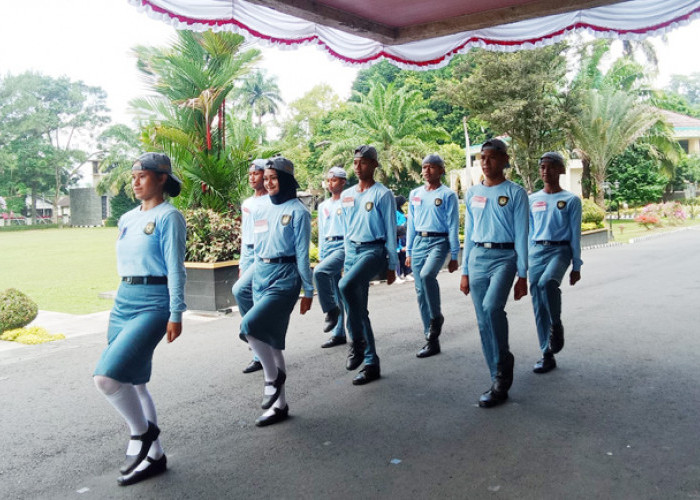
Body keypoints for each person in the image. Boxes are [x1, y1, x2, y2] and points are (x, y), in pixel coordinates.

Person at [93, 152, 186, 486]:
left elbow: (176, 268)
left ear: (161, 178)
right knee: (134, 382)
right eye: (133, 176)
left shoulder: (169, 217)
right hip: (124, 301)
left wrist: (176, 312)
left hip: (154, 303)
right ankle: (156, 456)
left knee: (106, 378)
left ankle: (142, 433)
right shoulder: (128, 218)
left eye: (142, 175)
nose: (135, 181)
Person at [239, 156, 313, 426]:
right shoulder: (258, 210)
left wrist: (308, 290)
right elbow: (255, 248)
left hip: (285, 277)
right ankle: (279, 406)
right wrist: (247, 273)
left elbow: (303, 255)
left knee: (249, 326)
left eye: (274, 178)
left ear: (286, 181)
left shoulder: (298, 211)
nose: (269, 182)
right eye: (266, 177)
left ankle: (273, 378)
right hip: (261, 273)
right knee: (272, 340)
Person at [459, 139, 528, 408]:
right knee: (482, 321)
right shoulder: (473, 193)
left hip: (505, 257)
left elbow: (522, 235)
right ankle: (497, 378)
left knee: (492, 308)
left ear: (504, 159)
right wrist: (464, 270)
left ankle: (503, 362)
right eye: (482, 158)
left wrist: (523, 275)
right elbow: (469, 234)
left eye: (492, 157)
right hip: (477, 257)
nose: (486, 163)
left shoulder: (515, 193)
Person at [338, 145, 397, 385]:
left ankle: (358, 342)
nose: (358, 166)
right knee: (358, 308)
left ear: (374, 165)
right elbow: (346, 230)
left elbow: (391, 231)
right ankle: (371, 363)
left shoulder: (383, 194)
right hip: (352, 251)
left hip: (374, 250)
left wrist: (392, 264)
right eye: (355, 162)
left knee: (345, 286)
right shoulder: (347, 195)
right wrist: (345, 256)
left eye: (363, 162)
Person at [528, 152, 582, 373]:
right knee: (538, 304)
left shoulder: (571, 200)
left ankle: (556, 324)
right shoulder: (532, 199)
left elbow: (575, 234)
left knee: (548, 283)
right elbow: (528, 231)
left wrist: (576, 266)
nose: (545, 171)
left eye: (551, 167)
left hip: (560, 250)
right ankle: (546, 353)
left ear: (561, 170)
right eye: (542, 167)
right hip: (536, 251)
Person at [406, 154, 460, 358]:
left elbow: (453, 224)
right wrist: (409, 251)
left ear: (441, 170)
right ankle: (431, 339)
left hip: (439, 242)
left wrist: (454, 254)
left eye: (432, 167)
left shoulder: (448, 195)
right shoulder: (415, 194)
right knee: (420, 292)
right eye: (424, 167)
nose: (427, 171)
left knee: (428, 275)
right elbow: (411, 225)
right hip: (419, 241)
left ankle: (436, 317)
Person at [232, 159, 270, 374]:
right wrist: (241, 262)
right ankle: (256, 339)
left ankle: (260, 352)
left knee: (257, 298)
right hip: (247, 252)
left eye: (256, 174)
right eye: (250, 174)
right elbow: (244, 231)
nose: (252, 177)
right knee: (242, 295)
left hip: (263, 251)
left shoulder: (271, 202)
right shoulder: (247, 202)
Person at [314, 166, 348, 348]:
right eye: (328, 180)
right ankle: (339, 333)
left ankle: (331, 311)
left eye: (334, 180)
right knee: (337, 291)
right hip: (328, 245)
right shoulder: (323, 206)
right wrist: (321, 252)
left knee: (320, 273)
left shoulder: (348, 201)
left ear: (343, 181)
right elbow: (321, 231)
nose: (330, 183)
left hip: (343, 245)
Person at [394, 196, 412, 282]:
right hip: (398, 234)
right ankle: (398, 275)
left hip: (403, 234)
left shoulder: (400, 211)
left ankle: (406, 273)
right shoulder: (394, 212)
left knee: (404, 255)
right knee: (397, 255)